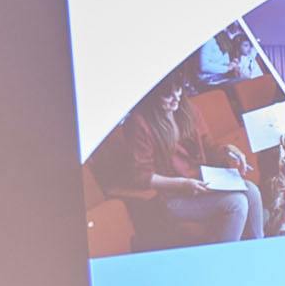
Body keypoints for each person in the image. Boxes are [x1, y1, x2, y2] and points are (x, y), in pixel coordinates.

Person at [94, 75, 258, 249]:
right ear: (151, 95)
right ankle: (222, 260)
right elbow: (141, 176)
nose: (177, 98)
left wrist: (227, 150)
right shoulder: (139, 123)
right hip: (171, 195)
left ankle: (259, 245)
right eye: (168, 95)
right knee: (237, 203)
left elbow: (208, 146)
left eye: (178, 89)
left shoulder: (187, 108)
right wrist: (182, 184)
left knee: (252, 190)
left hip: (201, 181)